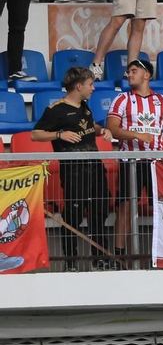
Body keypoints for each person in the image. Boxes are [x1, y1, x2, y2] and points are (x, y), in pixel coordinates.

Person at [32, 67, 111, 268]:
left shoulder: (85, 105)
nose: (93, 88)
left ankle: (99, 259)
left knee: (99, 214)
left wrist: (103, 130)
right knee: (73, 216)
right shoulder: (56, 110)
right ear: (79, 86)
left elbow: (89, 126)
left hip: (95, 168)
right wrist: (59, 135)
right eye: (90, 84)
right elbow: (36, 134)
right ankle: (71, 261)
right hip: (74, 171)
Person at [104, 56, 163, 252]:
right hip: (130, 161)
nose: (129, 74)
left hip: (158, 163)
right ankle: (119, 255)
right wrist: (137, 135)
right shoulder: (122, 99)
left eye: (133, 71)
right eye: (128, 72)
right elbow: (112, 128)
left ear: (147, 75)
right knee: (126, 207)